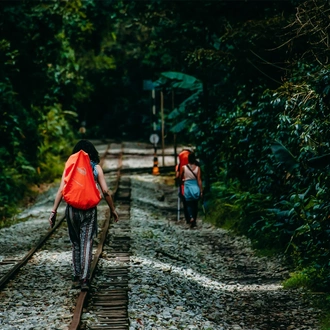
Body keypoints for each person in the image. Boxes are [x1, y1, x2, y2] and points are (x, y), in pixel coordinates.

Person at [48, 140, 119, 290]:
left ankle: (76, 275)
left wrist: (53, 211)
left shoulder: (70, 166)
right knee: (87, 243)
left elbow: (61, 190)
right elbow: (105, 191)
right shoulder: (96, 168)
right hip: (89, 211)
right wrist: (112, 209)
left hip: (72, 210)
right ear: (93, 152)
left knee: (76, 243)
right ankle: (85, 280)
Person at [179, 152, 203, 228]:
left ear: (188, 159)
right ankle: (194, 220)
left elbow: (180, 177)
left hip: (187, 186)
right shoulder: (198, 168)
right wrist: (201, 190)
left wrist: (182, 181)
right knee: (195, 204)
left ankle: (191, 217)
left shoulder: (183, 167)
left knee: (188, 203)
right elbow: (199, 180)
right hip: (195, 186)